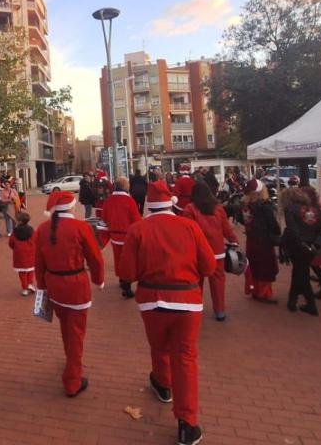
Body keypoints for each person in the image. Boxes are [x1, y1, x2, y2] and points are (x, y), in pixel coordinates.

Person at [118, 180, 216, 445]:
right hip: (187, 303)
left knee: (159, 347)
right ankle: (187, 423)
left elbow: (126, 273)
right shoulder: (189, 226)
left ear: (148, 204)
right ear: (171, 202)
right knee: (185, 357)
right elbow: (208, 267)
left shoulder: (138, 229)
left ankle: (163, 384)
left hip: (151, 301)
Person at [34, 191, 104, 397]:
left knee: (66, 327)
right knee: (76, 333)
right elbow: (96, 258)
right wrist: (98, 280)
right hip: (76, 287)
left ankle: (70, 360)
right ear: (72, 207)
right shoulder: (81, 227)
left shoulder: (43, 229)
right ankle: (72, 379)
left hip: (54, 286)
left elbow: (38, 262)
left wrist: (42, 285)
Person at [182, 181, 239, 321]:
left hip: (198, 252)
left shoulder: (190, 209)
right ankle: (220, 311)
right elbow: (226, 228)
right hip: (217, 252)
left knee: (197, 283)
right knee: (218, 282)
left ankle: (197, 307)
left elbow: (187, 231)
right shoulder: (218, 208)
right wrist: (233, 240)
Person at [282, 188, 321, 316]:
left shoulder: (289, 209)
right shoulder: (315, 210)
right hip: (312, 245)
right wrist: (316, 244)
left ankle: (311, 305)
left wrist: (301, 243)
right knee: (299, 272)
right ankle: (292, 300)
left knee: (302, 275)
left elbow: (292, 229)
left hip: (297, 245)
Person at [99, 177, 142, 298]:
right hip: (128, 237)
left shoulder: (109, 201)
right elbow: (136, 220)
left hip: (114, 236)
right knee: (128, 260)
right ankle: (126, 285)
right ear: (125, 186)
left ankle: (121, 279)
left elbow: (104, 220)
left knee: (118, 259)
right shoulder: (129, 201)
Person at [242, 179, 281, 304]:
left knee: (254, 265)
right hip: (263, 240)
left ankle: (255, 290)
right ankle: (264, 293)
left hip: (251, 239)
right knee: (266, 267)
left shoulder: (245, 205)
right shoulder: (264, 206)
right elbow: (273, 225)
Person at [9, 210, 36, 295]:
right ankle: (30, 283)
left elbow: (11, 243)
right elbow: (36, 240)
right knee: (31, 269)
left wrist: (15, 248)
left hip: (19, 254)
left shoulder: (15, 232)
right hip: (31, 253)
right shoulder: (31, 231)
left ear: (19, 221)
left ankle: (24, 288)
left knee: (22, 272)